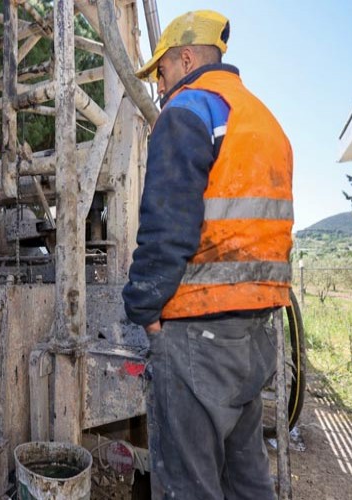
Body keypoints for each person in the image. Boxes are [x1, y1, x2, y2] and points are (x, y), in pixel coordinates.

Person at [122, 10, 293, 500]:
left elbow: (167, 225)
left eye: (162, 70)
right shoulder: (262, 120)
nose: (159, 84)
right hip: (256, 333)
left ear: (187, 58)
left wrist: (144, 308)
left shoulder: (187, 111)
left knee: (188, 484)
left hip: (198, 330)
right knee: (245, 479)